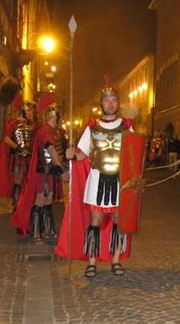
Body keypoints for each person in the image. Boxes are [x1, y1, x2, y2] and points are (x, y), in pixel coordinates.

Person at [55, 84, 135, 277]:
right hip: (97, 179)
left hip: (118, 181)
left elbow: (134, 154)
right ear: (101, 104)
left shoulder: (127, 126)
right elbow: (82, 155)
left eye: (114, 99)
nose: (110, 103)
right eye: (107, 100)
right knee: (95, 221)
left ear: (118, 103)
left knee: (118, 220)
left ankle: (116, 259)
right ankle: (92, 262)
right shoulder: (92, 127)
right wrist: (71, 154)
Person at [11, 93, 66, 242]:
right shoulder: (44, 130)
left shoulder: (54, 131)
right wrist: (62, 168)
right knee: (41, 200)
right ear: (54, 115)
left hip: (51, 173)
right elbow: (51, 151)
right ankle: (35, 233)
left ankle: (48, 230)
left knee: (48, 201)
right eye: (59, 115)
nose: (61, 118)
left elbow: (59, 151)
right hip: (44, 174)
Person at [0, 96, 36, 211]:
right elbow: (6, 139)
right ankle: (17, 205)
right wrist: (18, 148)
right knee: (18, 180)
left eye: (31, 111)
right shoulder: (13, 123)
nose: (30, 113)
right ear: (23, 110)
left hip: (29, 157)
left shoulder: (32, 124)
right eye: (28, 110)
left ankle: (23, 204)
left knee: (26, 181)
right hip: (17, 158)